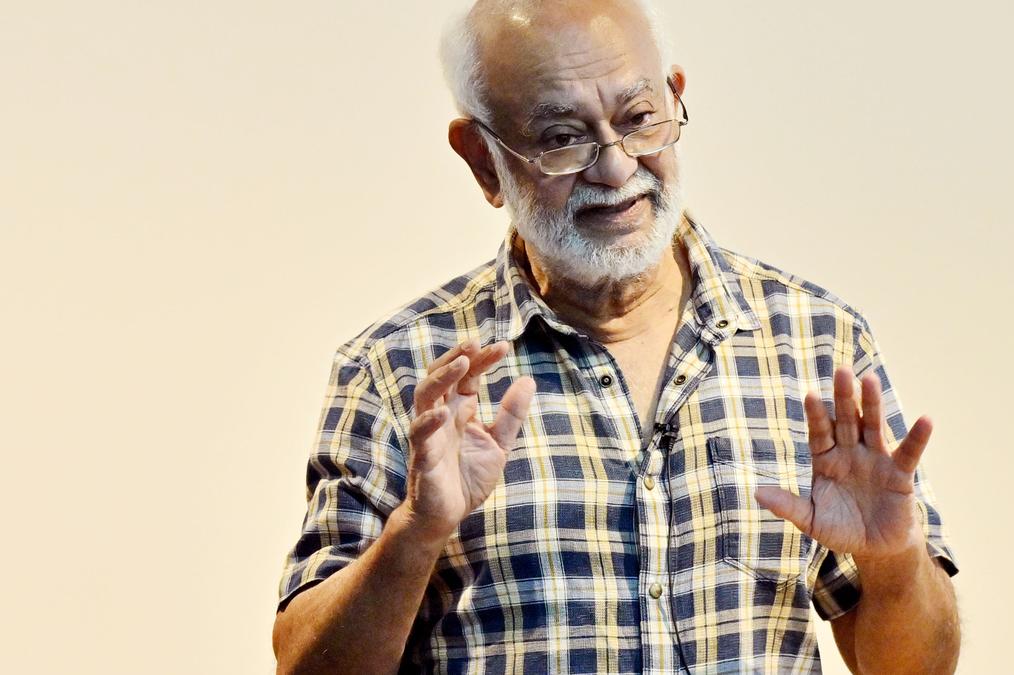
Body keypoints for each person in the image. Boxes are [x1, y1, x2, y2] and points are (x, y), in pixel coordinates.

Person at [272, 1, 961, 672]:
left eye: (638, 119)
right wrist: (416, 532)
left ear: (675, 97)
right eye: (561, 137)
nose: (616, 168)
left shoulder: (816, 342)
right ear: (482, 160)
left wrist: (894, 559)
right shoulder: (398, 369)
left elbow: (916, 669)